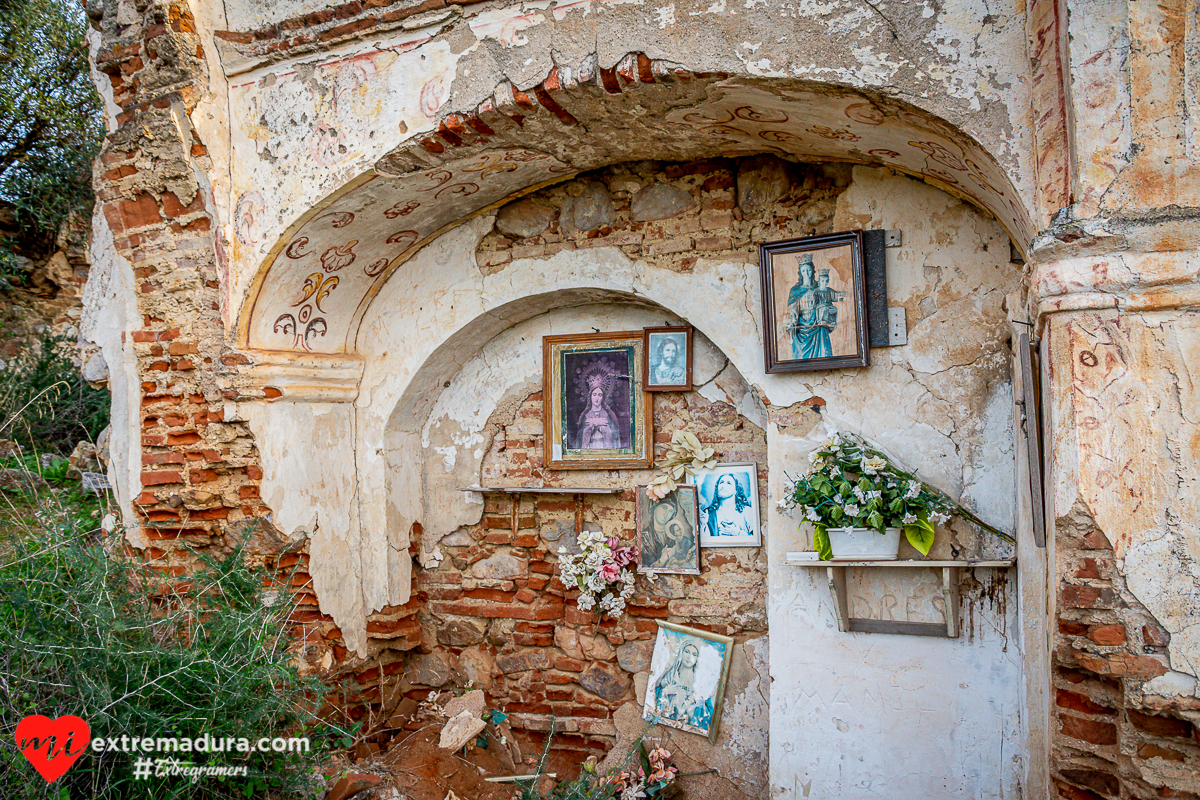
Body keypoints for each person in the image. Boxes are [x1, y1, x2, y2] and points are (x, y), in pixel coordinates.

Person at [652, 641, 712, 729]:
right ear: (681, 653)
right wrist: (664, 691)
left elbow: (708, 712)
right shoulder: (670, 676)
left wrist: (694, 706)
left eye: (694, 654)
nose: (689, 657)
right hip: (666, 724)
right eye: (687, 652)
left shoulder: (700, 684)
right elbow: (652, 697)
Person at [783, 254, 832, 359]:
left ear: (813, 270)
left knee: (824, 357)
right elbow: (791, 311)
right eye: (804, 271)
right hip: (801, 330)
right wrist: (791, 322)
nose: (806, 273)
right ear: (800, 272)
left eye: (809, 270)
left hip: (818, 327)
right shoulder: (795, 290)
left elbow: (827, 301)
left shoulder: (820, 287)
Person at [573, 373, 623, 450]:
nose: (597, 398)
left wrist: (603, 428)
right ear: (590, 396)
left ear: (603, 398)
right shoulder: (586, 415)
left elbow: (615, 434)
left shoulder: (608, 415)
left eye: (600, 395)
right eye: (594, 394)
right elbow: (579, 436)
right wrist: (595, 424)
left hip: (604, 451)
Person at [701, 473, 756, 538]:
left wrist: (737, 532)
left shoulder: (747, 511)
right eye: (721, 482)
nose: (723, 486)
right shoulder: (707, 513)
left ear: (736, 490)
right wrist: (703, 525)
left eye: (729, 483)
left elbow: (756, 538)